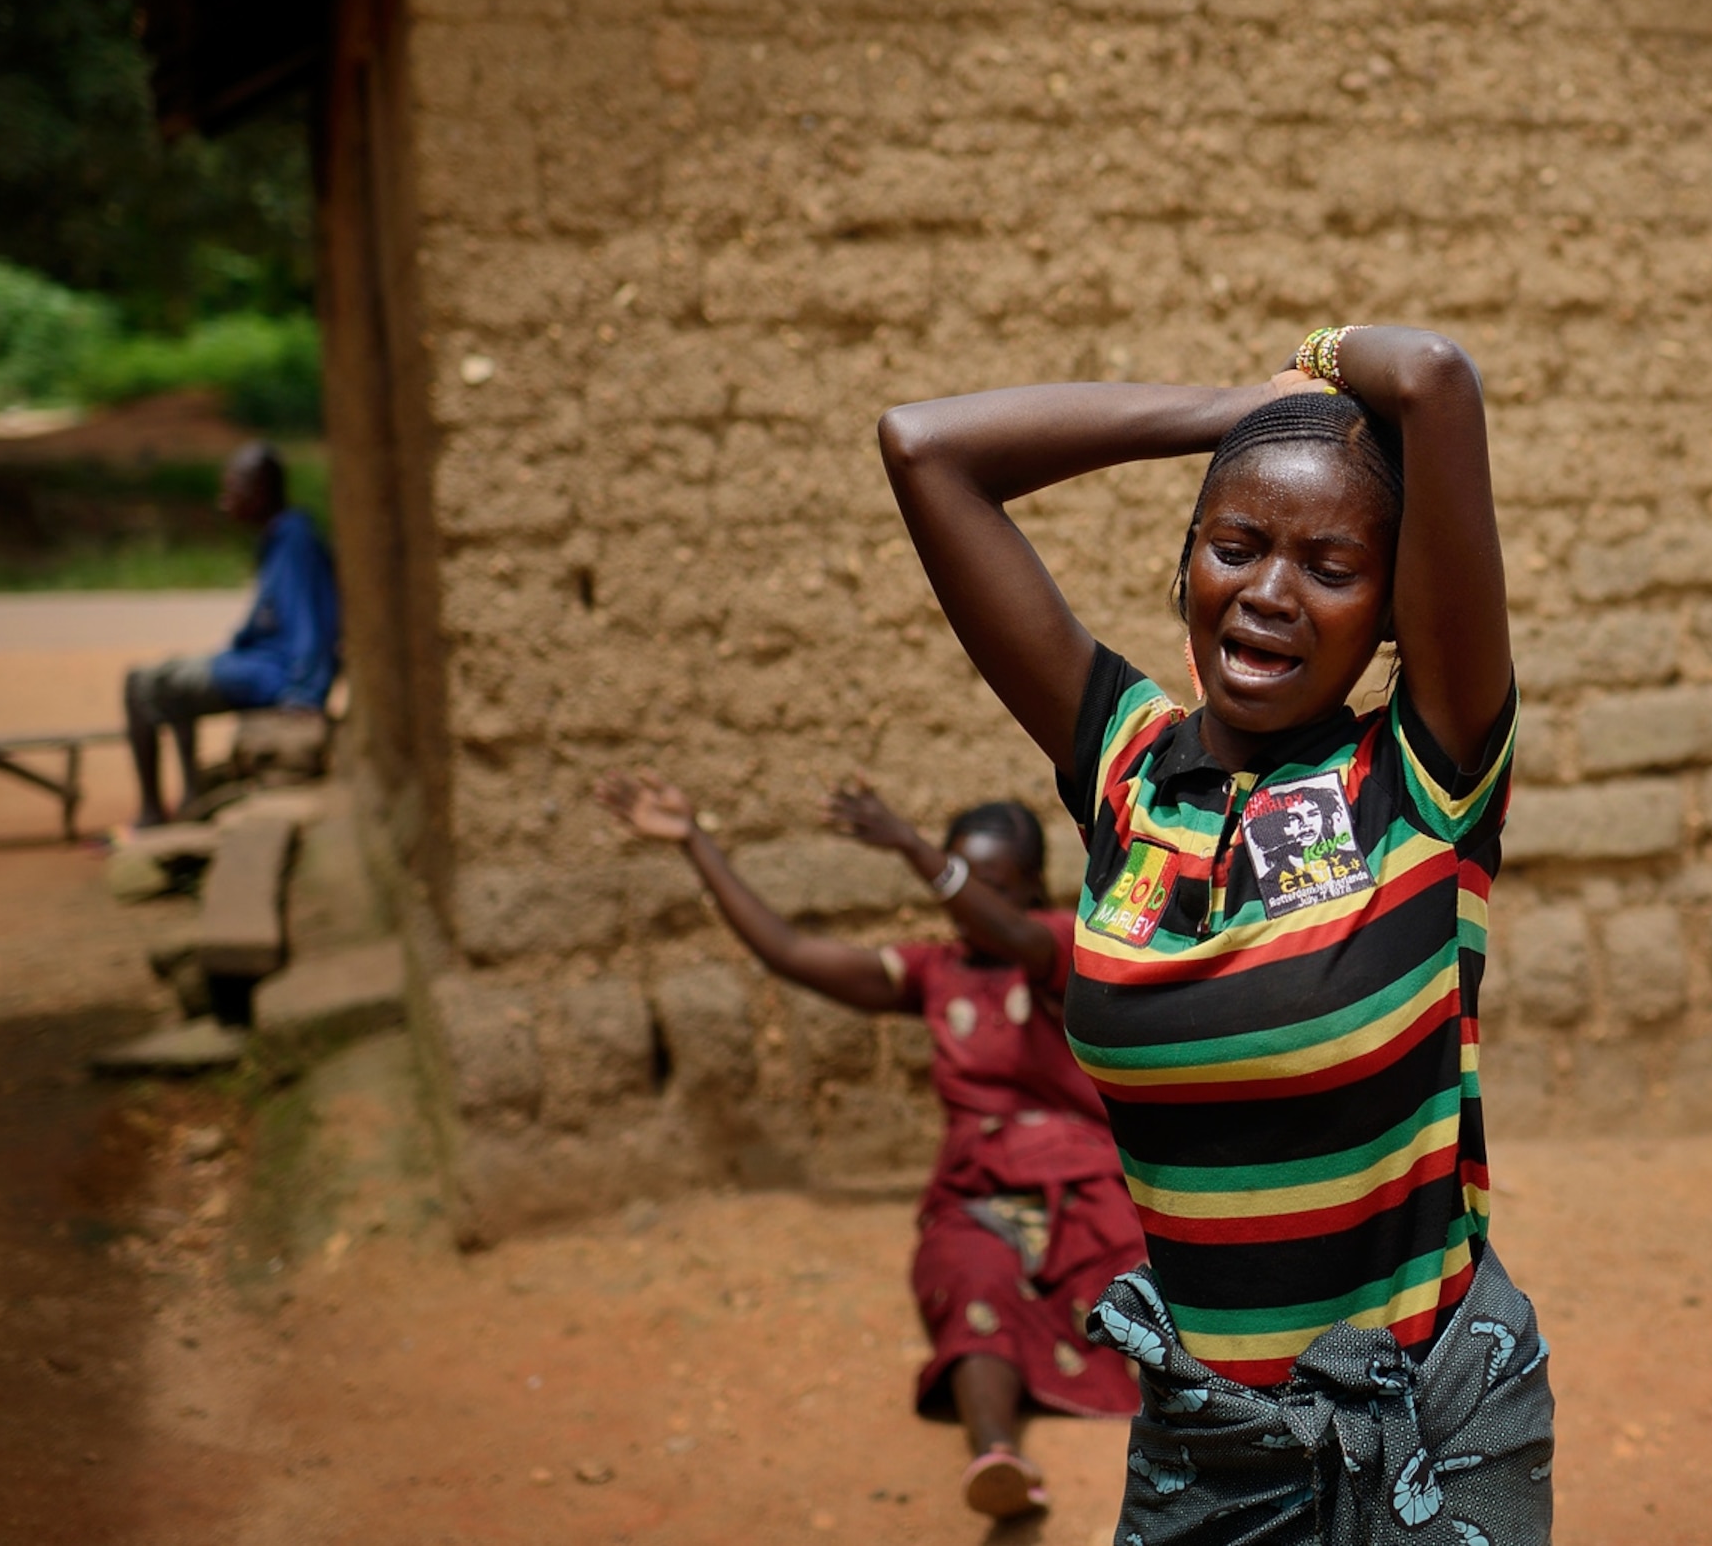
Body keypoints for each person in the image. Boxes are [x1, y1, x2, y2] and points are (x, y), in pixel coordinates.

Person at [875, 325, 1550, 1545]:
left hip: (1428, 1427)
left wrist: (1324, 357)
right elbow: (925, 449)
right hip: (1207, 1435)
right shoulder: (1127, 773)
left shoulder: (1421, 778)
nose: (1271, 591)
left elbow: (1436, 380)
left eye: (1332, 565)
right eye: (1235, 546)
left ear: (1395, 605)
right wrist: (1235, 411)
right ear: (1188, 560)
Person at [593, 772, 1143, 1518]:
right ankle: (996, 1453)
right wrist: (695, 842)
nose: (963, 901)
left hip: (1085, 1187)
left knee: (1136, 1301)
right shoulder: (934, 972)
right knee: (973, 1282)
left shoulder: (1054, 945)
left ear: (1030, 886)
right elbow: (789, 951)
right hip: (978, 1193)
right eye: (958, 877)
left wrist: (911, 846)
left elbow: (1008, 932)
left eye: (988, 882)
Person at [121, 441, 339, 825]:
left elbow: (311, 626)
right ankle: (191, 792)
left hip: (274, 674)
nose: (226, 501)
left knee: (142, 686)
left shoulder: (294, 542)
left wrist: (305, 694)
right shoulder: (282, 538)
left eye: (233, 489)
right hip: (261, 663)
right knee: (170, 680)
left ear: (260, 492)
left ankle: (153, 812)